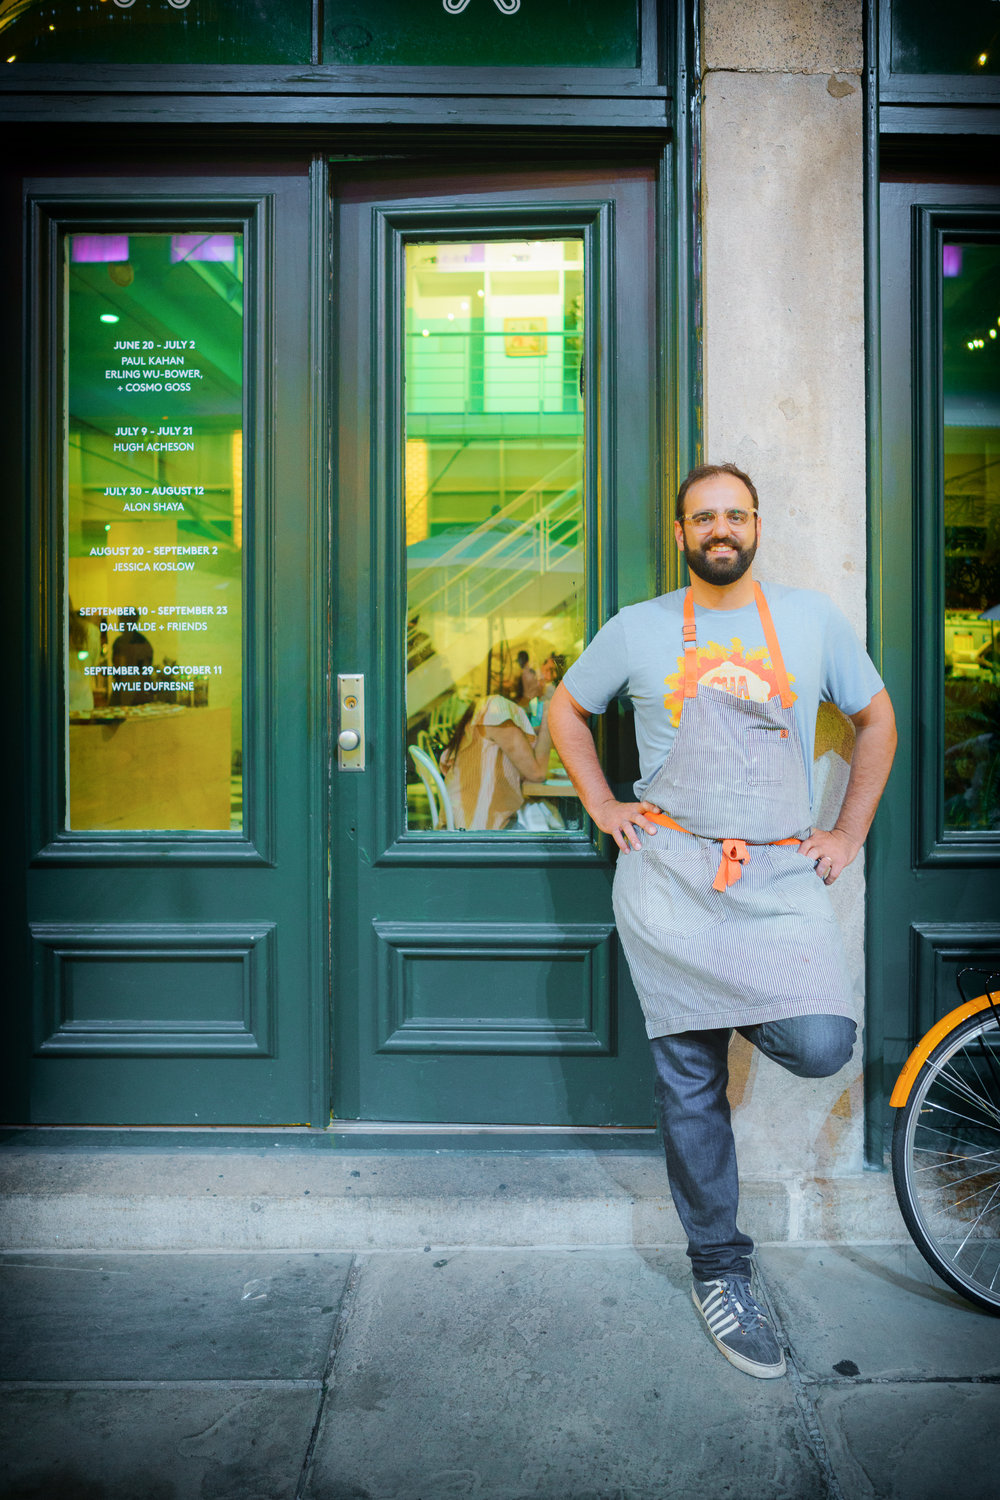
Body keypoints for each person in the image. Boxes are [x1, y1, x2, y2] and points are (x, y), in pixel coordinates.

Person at [548, 462, 897, 1380]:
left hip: (777, 878)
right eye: (703, 517)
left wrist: (847, 832)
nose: (720, 529)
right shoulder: (640, 628)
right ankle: (720, 1269)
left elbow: (878, 721)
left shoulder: (814, 621)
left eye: (734, 514)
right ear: (680, 533)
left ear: (755, 524)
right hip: (669, 880)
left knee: (822, 1040)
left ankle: (724, 998)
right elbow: (565, 709)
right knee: (690, 1082)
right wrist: (602, 805)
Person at [441, 690, 554, 831]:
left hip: (462, 819)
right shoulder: (496, 710)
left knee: (542, 817)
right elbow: (537, 774)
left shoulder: (485, 708)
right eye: (532, 670)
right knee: (550, 826)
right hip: (477, 826)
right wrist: (550, 715)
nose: (542, 679)